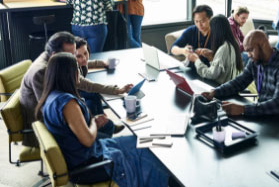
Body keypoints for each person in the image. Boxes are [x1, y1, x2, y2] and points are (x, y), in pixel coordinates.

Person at [35, 53, 169, 186]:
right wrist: (93, 123)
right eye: (76, 69)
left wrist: (91, 123)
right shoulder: (68, 104)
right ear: (69, 74)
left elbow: (73, 130)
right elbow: (87, 140)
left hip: (83, 156)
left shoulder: (50, 97)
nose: (79, 72)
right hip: (90, 164)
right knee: (148, 153)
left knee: (142, 141)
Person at [20, 32, 132, 147]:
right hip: (47, 126)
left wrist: (116, 90)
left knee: (105, 125)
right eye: (72, 55)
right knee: (110, 140)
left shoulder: (55, 59)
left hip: (60, 114)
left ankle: (100, 146)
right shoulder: (41, 72)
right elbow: (48, 110)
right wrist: (82, 122)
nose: (76, 60)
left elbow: (82, 81)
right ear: (55, 54)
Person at [202, 30, 279, 126]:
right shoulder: (255, 61)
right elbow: (239, 82)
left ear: (263, 45)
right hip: (268, 115)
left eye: (250, 50)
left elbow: (278, 104)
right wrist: (215, 92)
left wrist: (243, 109)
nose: (248, 55)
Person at [75, 37, 125, 136]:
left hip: (78, 92)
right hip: (75, 96)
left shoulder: (80, 62)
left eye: (86, 53)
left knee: (94, 96)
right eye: (79, 56)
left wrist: (104, 63)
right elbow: (90, 86)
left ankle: (101, 119)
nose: (84, 58)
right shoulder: (73, 69)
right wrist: (116, 90)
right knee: (93, 93)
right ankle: (101, 124)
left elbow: (88, 63)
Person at [187, 15, 243, 85]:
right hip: (227, 86)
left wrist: (196, 60)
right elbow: (221, 70)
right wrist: (211, 57)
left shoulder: (223, 49)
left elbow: (211, 74)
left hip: (219, 88)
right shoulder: (231, 43)